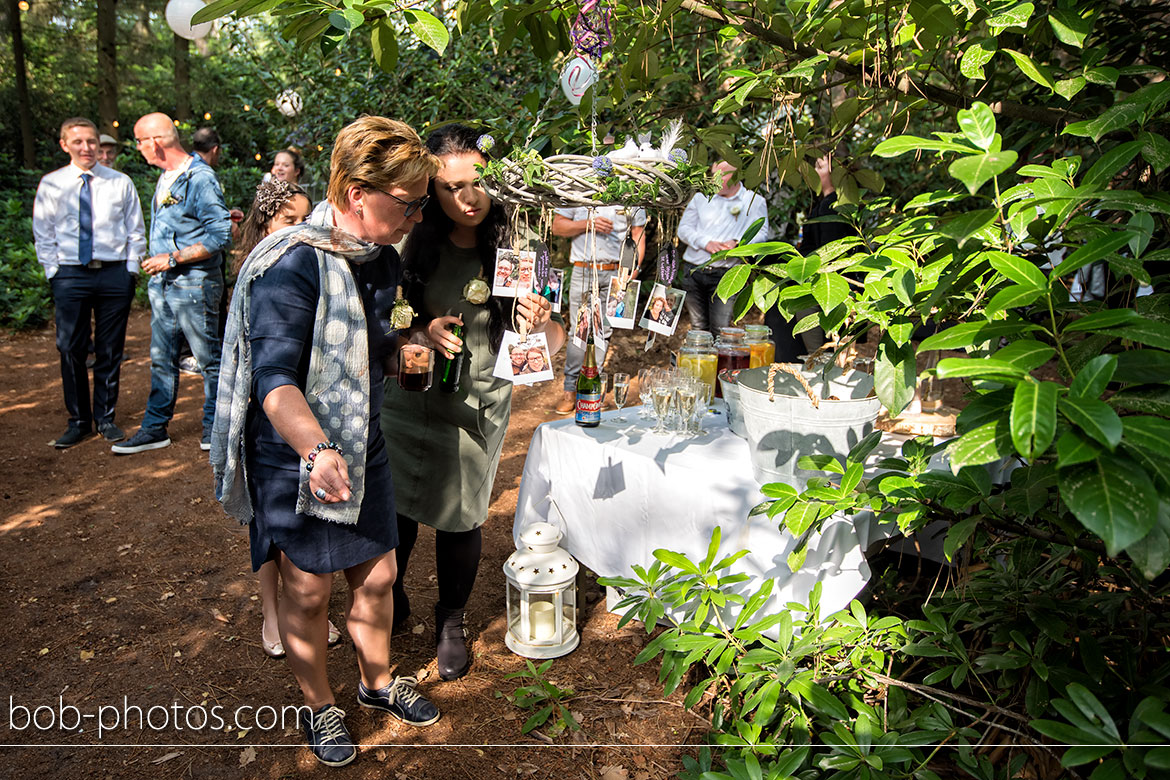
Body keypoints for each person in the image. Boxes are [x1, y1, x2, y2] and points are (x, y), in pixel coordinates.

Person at [211, 116, 441, 767]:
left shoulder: (381, 259)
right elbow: (277, 383)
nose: (417, 216)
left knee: (380, 575)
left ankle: (375, 683)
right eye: (409, 202)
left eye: (423, 202)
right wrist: (316, 450)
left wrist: (413, 350)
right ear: (356, 191)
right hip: (294, 453)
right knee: (310, 591)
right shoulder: (293, 267)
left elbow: (378, 348)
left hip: (361, 443)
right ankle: (320, 707)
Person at [382, 124, 565, 681]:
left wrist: (540, 323)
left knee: (460, 518)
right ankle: (394, 599)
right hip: (409, 402)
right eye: (451, 187)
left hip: (477, 404)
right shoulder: (410, 243)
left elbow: (551, 344)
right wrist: (420, 333)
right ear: (429, 193)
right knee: (399, 515)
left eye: (479, 181)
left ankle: (451, 620)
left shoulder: (524, 250)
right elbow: (392, 324)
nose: (469, 197)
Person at [232, 178, 339, 659]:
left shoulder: (316, 266)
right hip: (265, 410)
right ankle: (271, 614)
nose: (300, 230)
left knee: (311, 516)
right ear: (265, 223)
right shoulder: (255, 272)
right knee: (270, 519)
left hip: (312, 405)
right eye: (288, 221)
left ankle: (310, 605)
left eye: (305, 220)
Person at [112, 112, 231, 456]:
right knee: (162, 359)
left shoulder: (199, 177)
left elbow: (220, 235)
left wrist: (172, 258)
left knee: (209, 359)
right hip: (163, 286)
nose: (138, 148)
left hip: (194, 285)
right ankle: (154, 428)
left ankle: (215, 428)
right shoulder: (167, 176)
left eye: (138, 141)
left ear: (156, 141)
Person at [32, 117, 146, 448]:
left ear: (99, 144)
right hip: (70, 274)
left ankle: (105, 418)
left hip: (114, 274)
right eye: (79, 142)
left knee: (110, 349)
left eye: (92, 142)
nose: (87, 148)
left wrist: (130, 268)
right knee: (70, 347)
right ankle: (79, 420)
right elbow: (44, 231)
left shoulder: (120, 182)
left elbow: (135, 228)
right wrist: (53, 271)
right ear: (65, 145)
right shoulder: (51, 183)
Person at [552, 204, 645, 414]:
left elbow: (638, 233)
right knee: (580, 331)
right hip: (583, 270)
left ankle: (592, 389)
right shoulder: (579, 192)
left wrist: (635, 268)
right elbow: (557, 227)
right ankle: (570, 390)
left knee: (603, 331)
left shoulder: (629, 192)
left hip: (616, 273)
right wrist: (588, 224)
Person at [766, 154, 850, 361]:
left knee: (803, 314)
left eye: (821, 167)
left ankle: (817, 361)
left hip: (831, 284)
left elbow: (830, 249)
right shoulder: (822, 204)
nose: (816, 173)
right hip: (815, 279)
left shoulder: (836, 206)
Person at [677, 161, 770, 332]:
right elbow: (683, 229)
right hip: (694, 271)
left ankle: (718, 358)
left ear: (736, 176)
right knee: (698, 327)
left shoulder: (753, 201)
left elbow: (762, 234)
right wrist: (706, 243)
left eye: (722, 176)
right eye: (714, 175)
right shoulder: (701, 198)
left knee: (721, 329)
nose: (715, 181)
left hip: (727, 274)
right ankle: (701, 359)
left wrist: (738, 244)